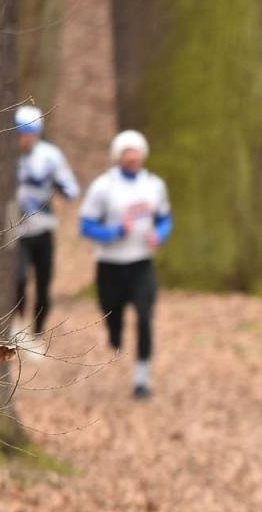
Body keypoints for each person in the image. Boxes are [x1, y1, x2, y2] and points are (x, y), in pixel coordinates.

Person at [79, 130, 171, 399]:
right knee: (112, 314)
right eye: (127, 154)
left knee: (144, 316)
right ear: (118, 157)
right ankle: (115, 335)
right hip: (110, 264)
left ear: (143, 155)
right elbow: (86, 225)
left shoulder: (154, 185)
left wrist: (160, 234)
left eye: (136, 153)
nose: (132, 158)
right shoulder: (103, 186)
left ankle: (142, 379)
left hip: (142, 263)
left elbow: (165, 218)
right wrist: (114, 232)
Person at [12, 104, 79, 343]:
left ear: (38, 134)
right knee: (18, 279)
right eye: (20, 133)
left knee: (43, 284)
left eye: (30, 133)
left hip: (43, 228)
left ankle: (38, 333)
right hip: (14, 230)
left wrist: (58, 184)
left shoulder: (50, 156)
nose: (25, 139)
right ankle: (17, 326)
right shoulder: (5, 156)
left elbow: (72, 189)